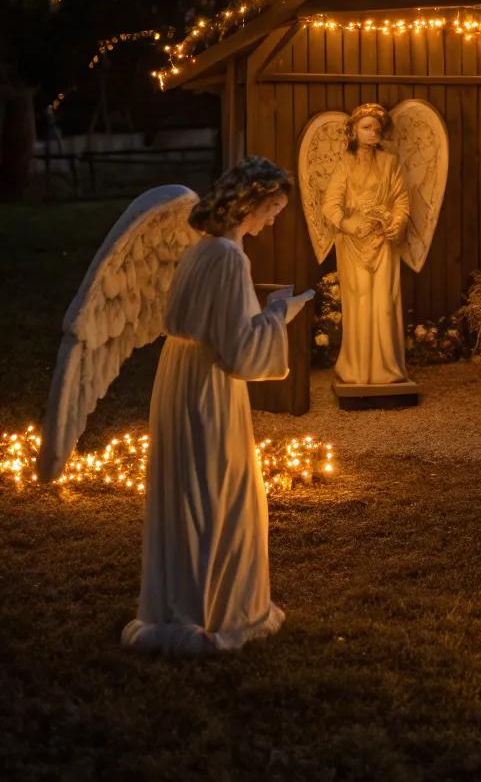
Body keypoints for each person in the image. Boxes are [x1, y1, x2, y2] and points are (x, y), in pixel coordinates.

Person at [122, 156, 310, 655]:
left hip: (179, 374)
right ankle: (215, 611)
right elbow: (240, 351)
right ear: (250, 203)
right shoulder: (229, 258)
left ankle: (180, 603)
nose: (273, 219)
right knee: (214, 489)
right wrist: (279, 314)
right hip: (208, 382)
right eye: (272, 208)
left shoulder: (199, 250)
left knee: (189, 488)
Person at [323, 102, 411, 384]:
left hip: (383, 241)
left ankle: (385, 369)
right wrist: (349, 224)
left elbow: (401, 201)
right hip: (352, 244)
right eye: (366, 127)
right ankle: (357, 368)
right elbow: (330, 206)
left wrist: (397, 222)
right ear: (354, 131)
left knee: (383, 302)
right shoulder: (344, 164)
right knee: (359, 303)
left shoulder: (390, 163)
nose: (373, 133)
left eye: (377, 128)